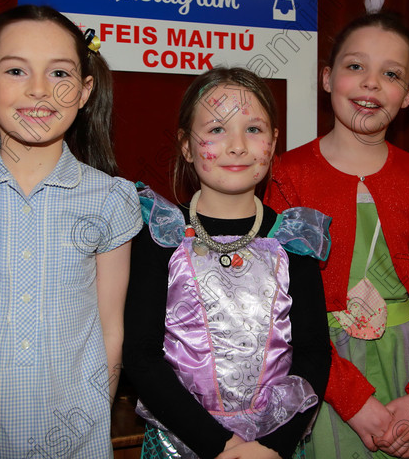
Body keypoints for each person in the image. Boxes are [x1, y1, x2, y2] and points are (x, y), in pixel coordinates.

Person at [0, 5, 142, 458]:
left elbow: (111, 331)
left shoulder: (110, 200)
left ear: (85, 91)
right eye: (16, 70)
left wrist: (89, 419)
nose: (40, 91)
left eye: (59, 73)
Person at [265, 0, 409, 458]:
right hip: (328, 373)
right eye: (355, 66)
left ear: (407, 96)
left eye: (390, 74)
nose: (370, 83)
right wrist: (352, 399)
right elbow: (281, 304)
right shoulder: (289, 177)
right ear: (327, 78)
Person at [123, 67, 332, 459]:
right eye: (217, 130)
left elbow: (314, 351)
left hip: (272, 447)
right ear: (186, 146)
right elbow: (140, 354)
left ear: (273, 141)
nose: (237, 146)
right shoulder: (162, 235)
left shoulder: (293, 238)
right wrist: (222, 446)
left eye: (253, 129)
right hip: (180, 443)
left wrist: (273, 446)